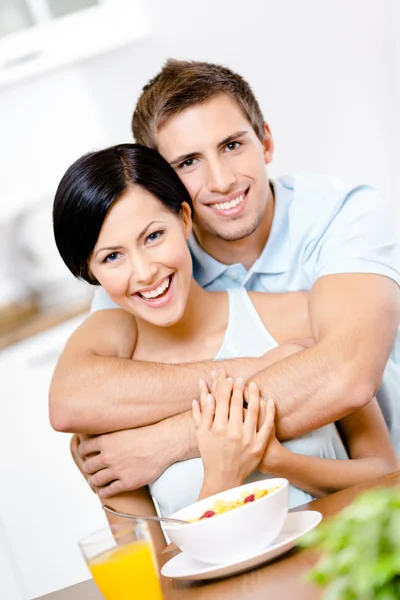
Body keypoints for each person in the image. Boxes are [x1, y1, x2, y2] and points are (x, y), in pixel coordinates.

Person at [49, 59, 400, 501]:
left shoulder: (345, 216)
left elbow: (344, 375)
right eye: (189, 161)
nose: (222, 180)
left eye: (232, 145)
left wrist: (167, 440)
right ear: (163, 184)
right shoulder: (153, 269)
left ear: (266, 141)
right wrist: (267, 368)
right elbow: (75, 398)